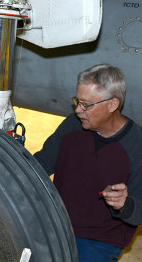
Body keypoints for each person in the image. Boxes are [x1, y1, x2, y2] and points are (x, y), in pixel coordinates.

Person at [34, 64, 142, 261]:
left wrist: (124, 204)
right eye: (77, 101)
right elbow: (41, 163)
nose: (77, 110)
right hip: (56, 223)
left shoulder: (138, 146)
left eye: (86, 104)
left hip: (99, 239)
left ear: (112, 105)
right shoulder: (72, 125)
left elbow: (139, 211)